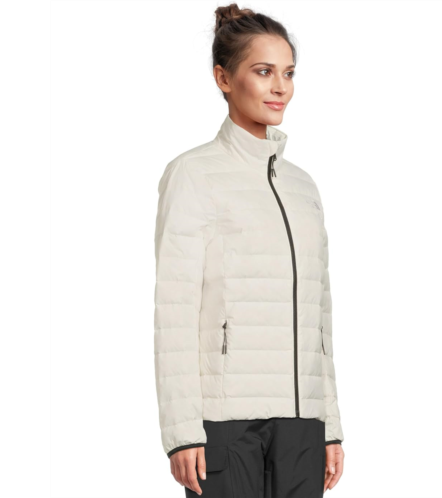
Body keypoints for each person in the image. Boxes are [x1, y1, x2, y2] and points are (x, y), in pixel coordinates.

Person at [154, 4, 345, 496]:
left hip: (302, 422)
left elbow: (319, 317)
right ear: (224, 78)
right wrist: (181, 433)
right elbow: (175, 309)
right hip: (226, 421)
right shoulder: (193, 174)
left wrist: (330, 424)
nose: (280, 87)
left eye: (288, 73)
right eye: (263, 72)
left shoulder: (303, 187)